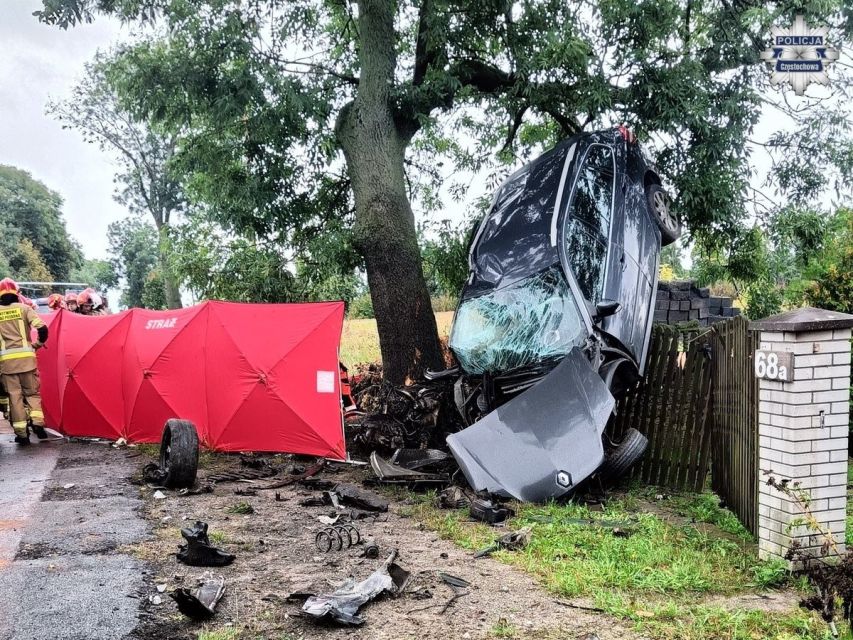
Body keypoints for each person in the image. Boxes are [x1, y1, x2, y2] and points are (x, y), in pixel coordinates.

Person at [0, 278, 48, 444]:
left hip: (7, 364)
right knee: (32, 393)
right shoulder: (25, 309)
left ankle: (22, 434)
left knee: (15, 398)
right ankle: (37, 423)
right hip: (28, 361)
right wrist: (38, 344)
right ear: (17, 293)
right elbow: (42, 328)